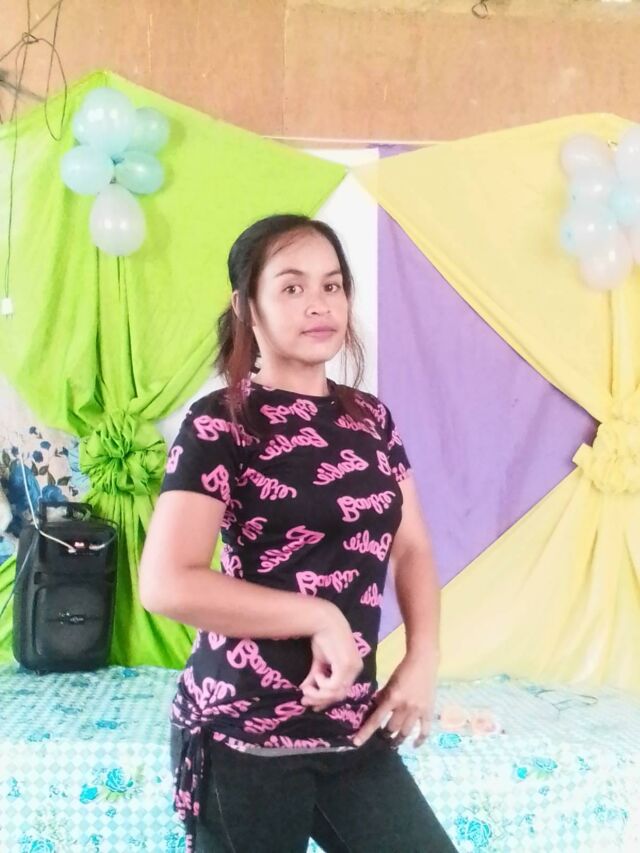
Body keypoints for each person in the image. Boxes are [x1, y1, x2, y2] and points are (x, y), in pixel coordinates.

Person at [139, 214, 456, 853]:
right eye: (291, 287)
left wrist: (423, 656)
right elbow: (166, 583)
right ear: (245, 307)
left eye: (332, 285)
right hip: (242, 733)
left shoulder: (370, 419)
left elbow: (413, 545)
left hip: (350, 729)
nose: (319, 304)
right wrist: (318, 616)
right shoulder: (220, 422)